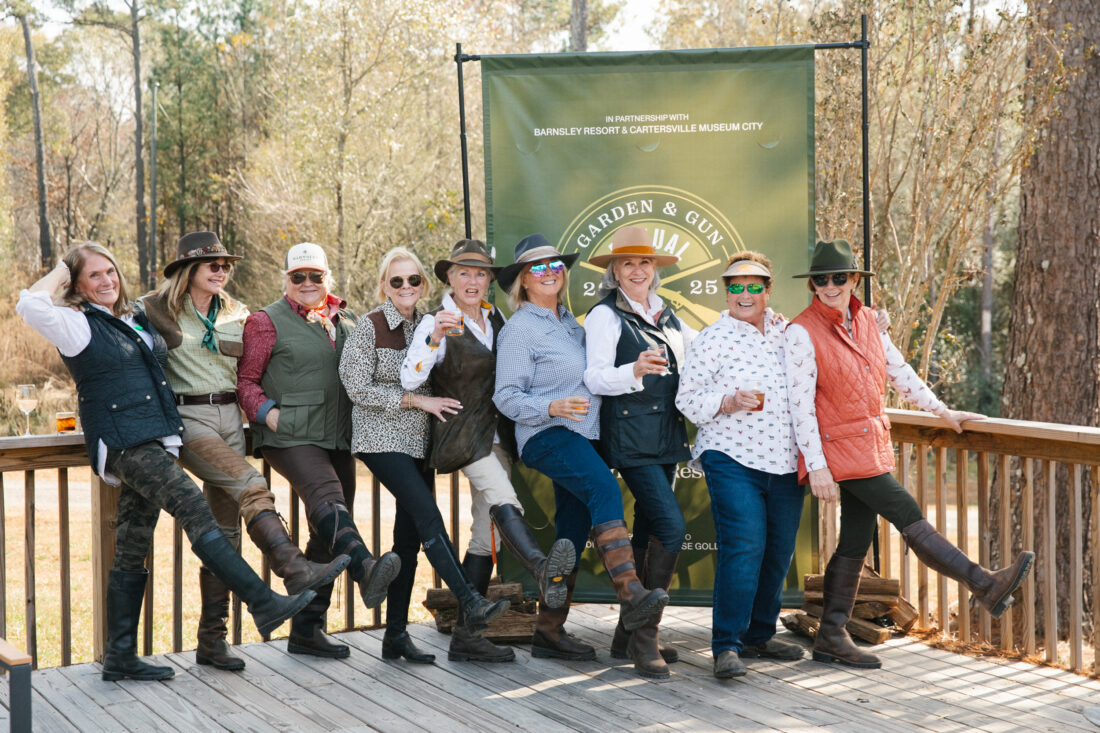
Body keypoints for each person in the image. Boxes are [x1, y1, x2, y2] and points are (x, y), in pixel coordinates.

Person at [18, 243, 314, 682]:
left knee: (134, 542)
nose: (107, 281)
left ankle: (120, 655)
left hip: (154, 440)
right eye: (94, 275)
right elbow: (29, 302)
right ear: (76, 284)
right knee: (195, 508)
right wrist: (64, 266)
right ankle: (262, 601)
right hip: (124, 443)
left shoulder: (128, 319)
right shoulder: (75, 324)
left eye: (111, 272)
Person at [786, 238, 1034, 669]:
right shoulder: (800, 332)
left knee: (856, 538)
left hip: (869, 444)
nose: (829, 285)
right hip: (840, 452)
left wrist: (942, 411)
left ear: (853, 281)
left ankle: (830, 634)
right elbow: (799, 404)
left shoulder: (866, 321)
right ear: (813, 283)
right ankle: (984, 583)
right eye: (821, 279)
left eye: (838, 277)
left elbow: (899, 371)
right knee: (907, 511)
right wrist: (819, 465)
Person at [140, 232, 350, 671]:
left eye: (225, 264)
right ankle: (293, 569)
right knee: (252, 483)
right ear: (186, 271)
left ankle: (211, 640)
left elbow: (256, 369)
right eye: (211, 264)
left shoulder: (238, 314)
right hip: (190, 419)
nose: (221, 270)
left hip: (231, 418)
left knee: (226, 531)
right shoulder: (154, 308)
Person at [494, 233, 669, 662]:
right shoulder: (519, 329)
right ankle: (631, 595)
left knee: (570, 533)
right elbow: (505, 396)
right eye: (538, 268)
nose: (550, 272)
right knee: (605, 492)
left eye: (556, 265)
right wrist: (550, 405)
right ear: (523, 280)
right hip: (545, 435)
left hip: (582, 437)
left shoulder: (572, 323)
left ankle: (548, 631)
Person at [400, 239, 575, 662]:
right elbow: (409, 380)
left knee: (484, 533)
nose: (473, 281)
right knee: (503, 499)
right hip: (463, 438)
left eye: (480, 273)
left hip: (498, 437)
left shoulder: (498, 318)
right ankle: (539, 565)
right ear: (449, 278)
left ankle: (467, 636)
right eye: (464, 273)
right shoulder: (437, 321)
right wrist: (433, 339)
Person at [340, 246, 510, 665]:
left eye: (413, 280)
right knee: (429, 514)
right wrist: (416, 402)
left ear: (424, 285)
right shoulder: (370, 325)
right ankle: (469, 599)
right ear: (384, 285)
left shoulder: (434, 322)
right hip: (381, 439)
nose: (406, 287)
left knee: (410, 538)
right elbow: (355, 387)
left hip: (419, 442)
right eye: (396, 281)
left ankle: (395, 635)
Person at [239, 242, 401, 660]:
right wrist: (271, 416)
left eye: (315, 276)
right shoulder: (264, 322)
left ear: (328, 278)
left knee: (326, 530)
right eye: (298, 277)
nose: (307, 284)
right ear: (286, 280)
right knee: (329, 498)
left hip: (338, 436)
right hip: (291, 436)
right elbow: (247, 382)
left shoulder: (346, 320)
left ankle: (307, 631)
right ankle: (366, 569)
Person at [676, 252, 806, 679]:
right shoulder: (712, 339)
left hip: (785, 461)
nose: (744, 294)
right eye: (736, 286)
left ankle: (760, 636)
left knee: (779, 550)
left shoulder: (787, 333)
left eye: (754, 286)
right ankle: (726, 645)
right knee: (744, 545)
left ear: (768, 291)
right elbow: (687, 401)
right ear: (726, 291)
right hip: (731, 456)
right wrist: (728, 402)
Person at [583, 225, 697, 679]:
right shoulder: (604, 316)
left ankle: (626, 634)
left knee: (651, 527)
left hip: (667, 437)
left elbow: (704, 355)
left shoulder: (670, 317)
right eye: (627, 263)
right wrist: (632, 369)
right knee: (671, 526)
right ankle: (646, 637)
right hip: (629, 439)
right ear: (614, 270)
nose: (636, 270)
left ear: (654, 270)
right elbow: (594, 378)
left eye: (644, 262)